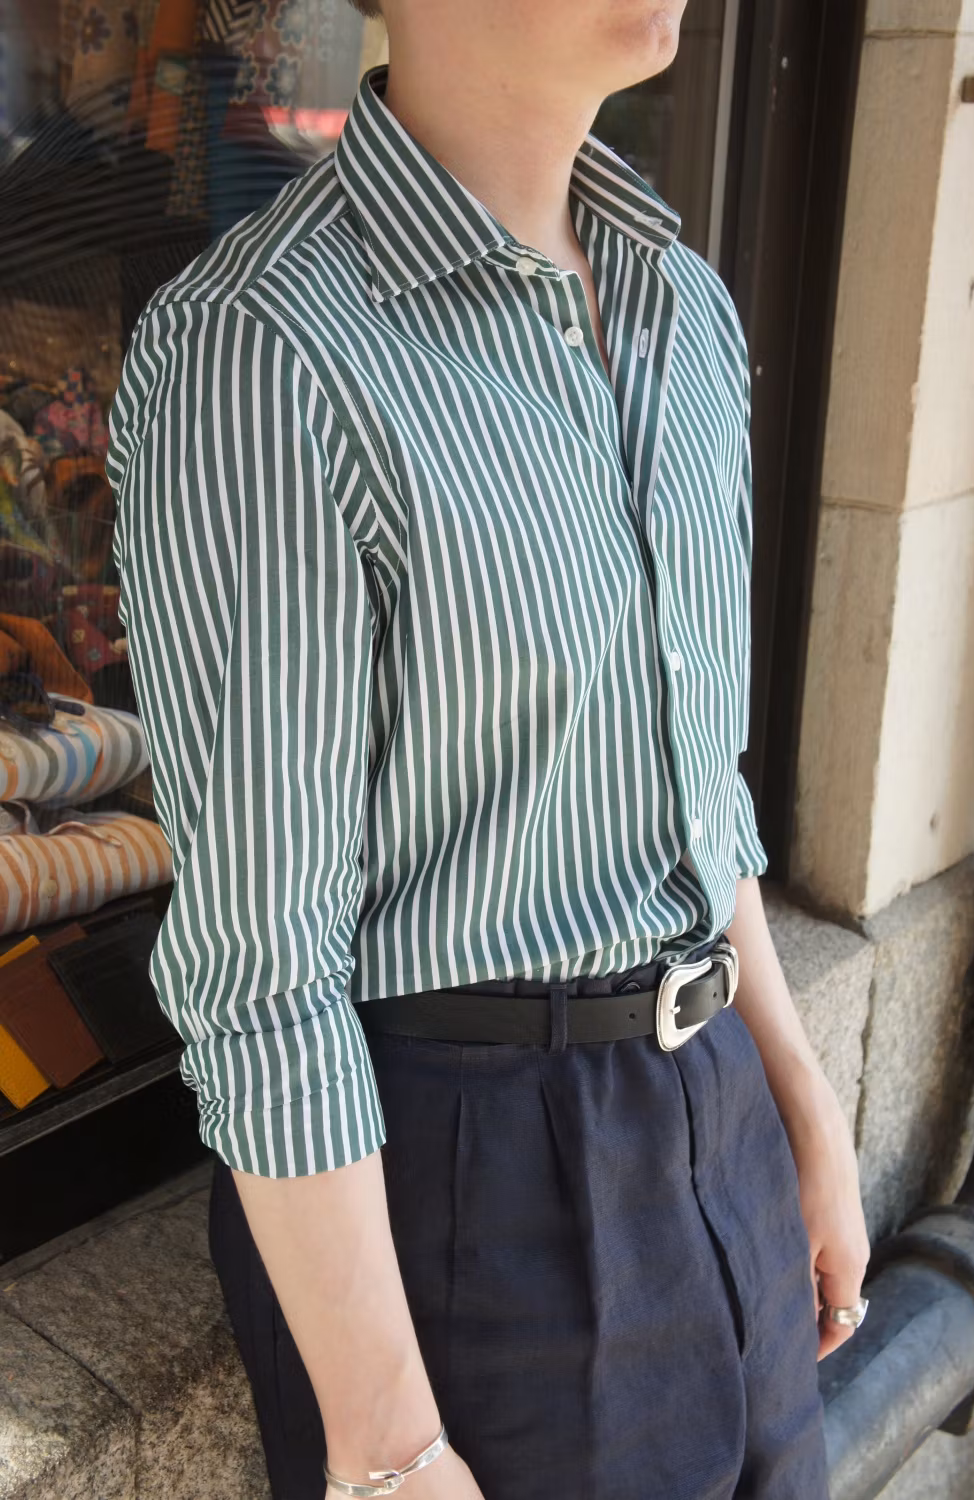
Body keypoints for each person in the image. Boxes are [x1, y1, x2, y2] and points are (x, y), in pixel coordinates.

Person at [105, 0, 871, 1495]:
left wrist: (799, 1096)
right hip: (472, 1195)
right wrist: (389, 1444)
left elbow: (696, 782)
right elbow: (263, 961)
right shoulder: (263, 353)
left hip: (720, 1118)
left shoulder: (681, 307)